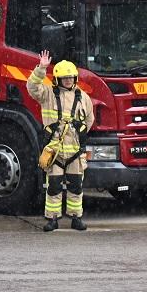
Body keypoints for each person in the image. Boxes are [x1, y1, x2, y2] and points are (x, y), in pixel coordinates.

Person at [29, 51, 95, 232]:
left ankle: (76, 218)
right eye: (64, 78)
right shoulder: (48, 94)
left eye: (70, 77)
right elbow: (32, 87)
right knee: (54, 185)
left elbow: (89, 120)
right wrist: (41, 68)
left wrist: (77, 136)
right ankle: (52, 219)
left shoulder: (83, 97)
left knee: (76, 185)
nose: (67, 81)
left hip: (75, 150)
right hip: (54, 149)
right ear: (57, 79)